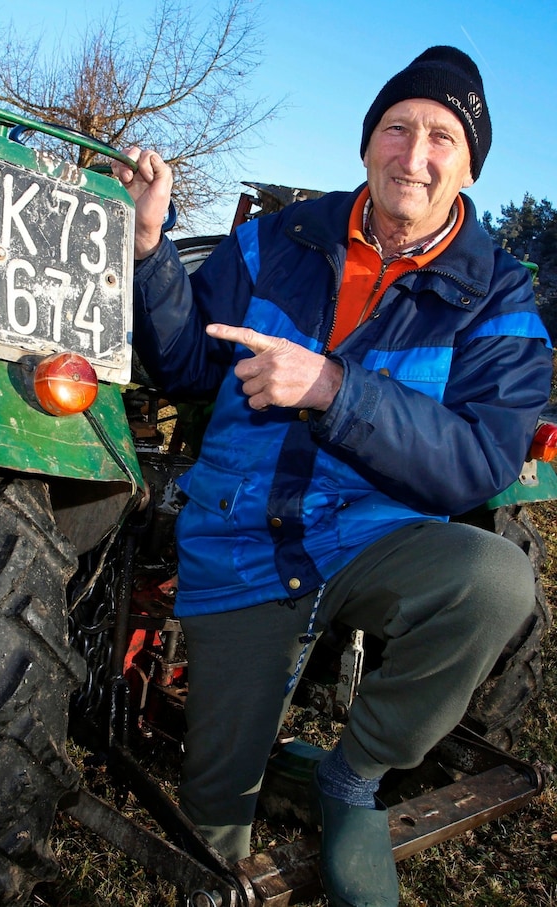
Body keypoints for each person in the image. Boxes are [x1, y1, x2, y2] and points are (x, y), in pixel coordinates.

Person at [112, 46, 553, 907]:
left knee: (498, 580)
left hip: (373, 535)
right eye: (397, 128)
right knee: (213, 831)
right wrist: (149, 248)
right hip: (242, 535)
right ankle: (241, 773)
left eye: (441, 137)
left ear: (469, 167)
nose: (414, 155)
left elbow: (480, 461)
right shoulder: (279, 238)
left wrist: (331, 389)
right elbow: (185, 367)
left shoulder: (499, 296)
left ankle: (352, 776)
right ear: (366, 144)